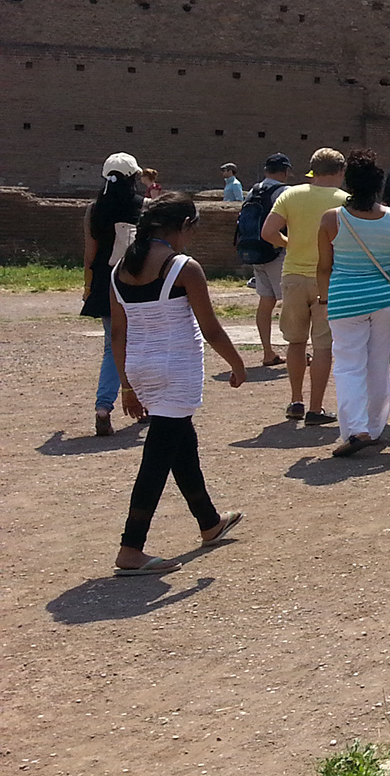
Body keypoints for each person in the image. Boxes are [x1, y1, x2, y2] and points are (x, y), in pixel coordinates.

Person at [107, 193, 247, 575]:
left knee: (182, 442)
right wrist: (237, 364)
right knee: (156, 458)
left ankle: (209, 522)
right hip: (175, 370)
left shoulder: (119, 270)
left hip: (140, 368)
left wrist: (126, 386)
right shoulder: (184, 267)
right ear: (184, 226)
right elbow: (211, 328)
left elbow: (117, 333)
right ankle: (131, 547)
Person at [318, 150, 390, 457]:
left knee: (349, 365)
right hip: (383, 299)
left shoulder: (332, 219)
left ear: (348, 184)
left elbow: (324, 267)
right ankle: (374, 428)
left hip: (344, 299)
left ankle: (355, 429)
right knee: (378, 363)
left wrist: (324, 299)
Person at [262, 148, 348, 426]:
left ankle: (296, 400)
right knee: (323, 345)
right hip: (328, 278)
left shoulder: (291, 195)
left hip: (294, 274)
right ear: (340, 171)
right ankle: (315, 407)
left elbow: (268, 232)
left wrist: (290, 243)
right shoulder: (344, 201)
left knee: (296, 341)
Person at [80, 153, 145, 436]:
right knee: (142, 345)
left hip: (104, 285)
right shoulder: (143, 206)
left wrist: (87, 286)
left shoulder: (94, 210)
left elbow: (90, 255)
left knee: (112, 347)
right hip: (137, 284)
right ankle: (145, 403)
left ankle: (103, 407)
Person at [234, 152, 292, 371]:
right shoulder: (284, 192)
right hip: (277, 251)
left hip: (255, 251)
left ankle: (268, 351)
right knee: (291, 303)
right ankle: (295, 350)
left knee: (266, 302)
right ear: (286, 171)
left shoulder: (254, 190)